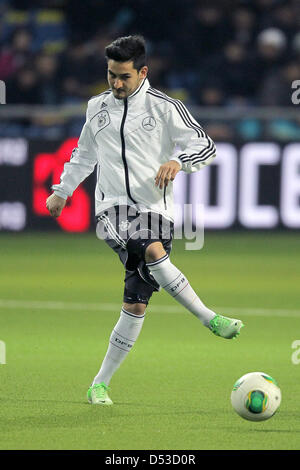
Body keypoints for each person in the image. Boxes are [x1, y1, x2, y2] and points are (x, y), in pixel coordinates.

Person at [46, 35, 244, 406]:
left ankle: (98, 385)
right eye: (111, 76)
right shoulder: (97, 107)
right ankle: (208, 318)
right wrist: (62, 191)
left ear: (143, 72)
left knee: (136, 302)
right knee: (152, 249)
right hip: (112, 210)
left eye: (123, 76)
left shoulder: (166, 108)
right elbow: (83, 155)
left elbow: (205, 144)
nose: (116, 84)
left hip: (157, 211)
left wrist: (179, 161)